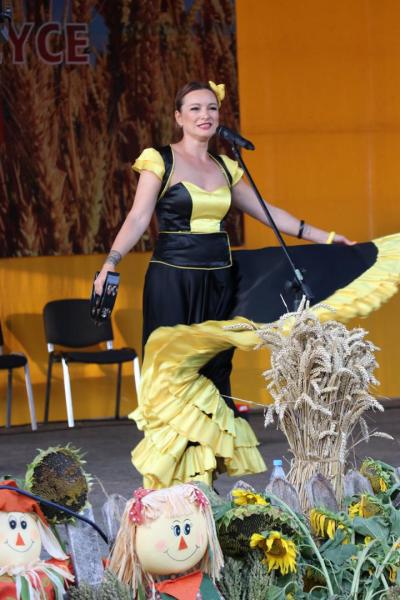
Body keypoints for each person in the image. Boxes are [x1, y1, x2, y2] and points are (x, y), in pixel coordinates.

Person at [95, 80, 372, 488]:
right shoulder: (160, 160)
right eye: (194, 108)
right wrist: (111, 261)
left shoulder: (226, 167)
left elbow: (267, 212)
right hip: (174, 279)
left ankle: (203, 482)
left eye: (211, 108)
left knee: (213, 374)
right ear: (178, 117)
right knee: (175, 373)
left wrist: (326, 238)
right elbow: (137, 218)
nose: (205, 115)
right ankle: (170, 485)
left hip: (218, 283)